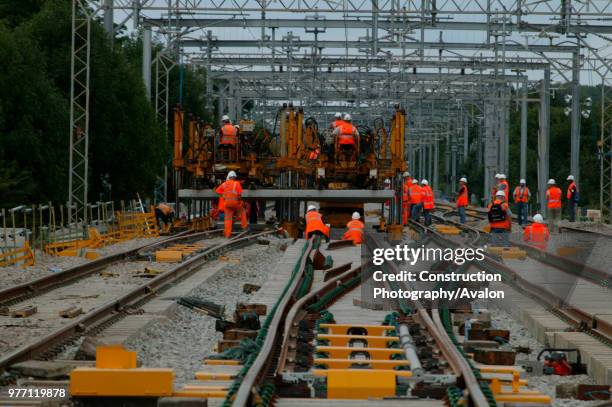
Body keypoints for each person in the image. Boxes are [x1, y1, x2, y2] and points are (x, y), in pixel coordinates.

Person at [215, 171, 247, 238]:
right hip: (234, 204)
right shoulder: (236, 183)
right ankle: (244, 227)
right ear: (234, 177)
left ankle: (227, 234)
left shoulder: (224, 184)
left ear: (228, 177)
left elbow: (217, 191)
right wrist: (239, 201)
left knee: (228, 219)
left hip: (227, 204)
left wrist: (223, 196)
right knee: (243, 211)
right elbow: (239, 194)